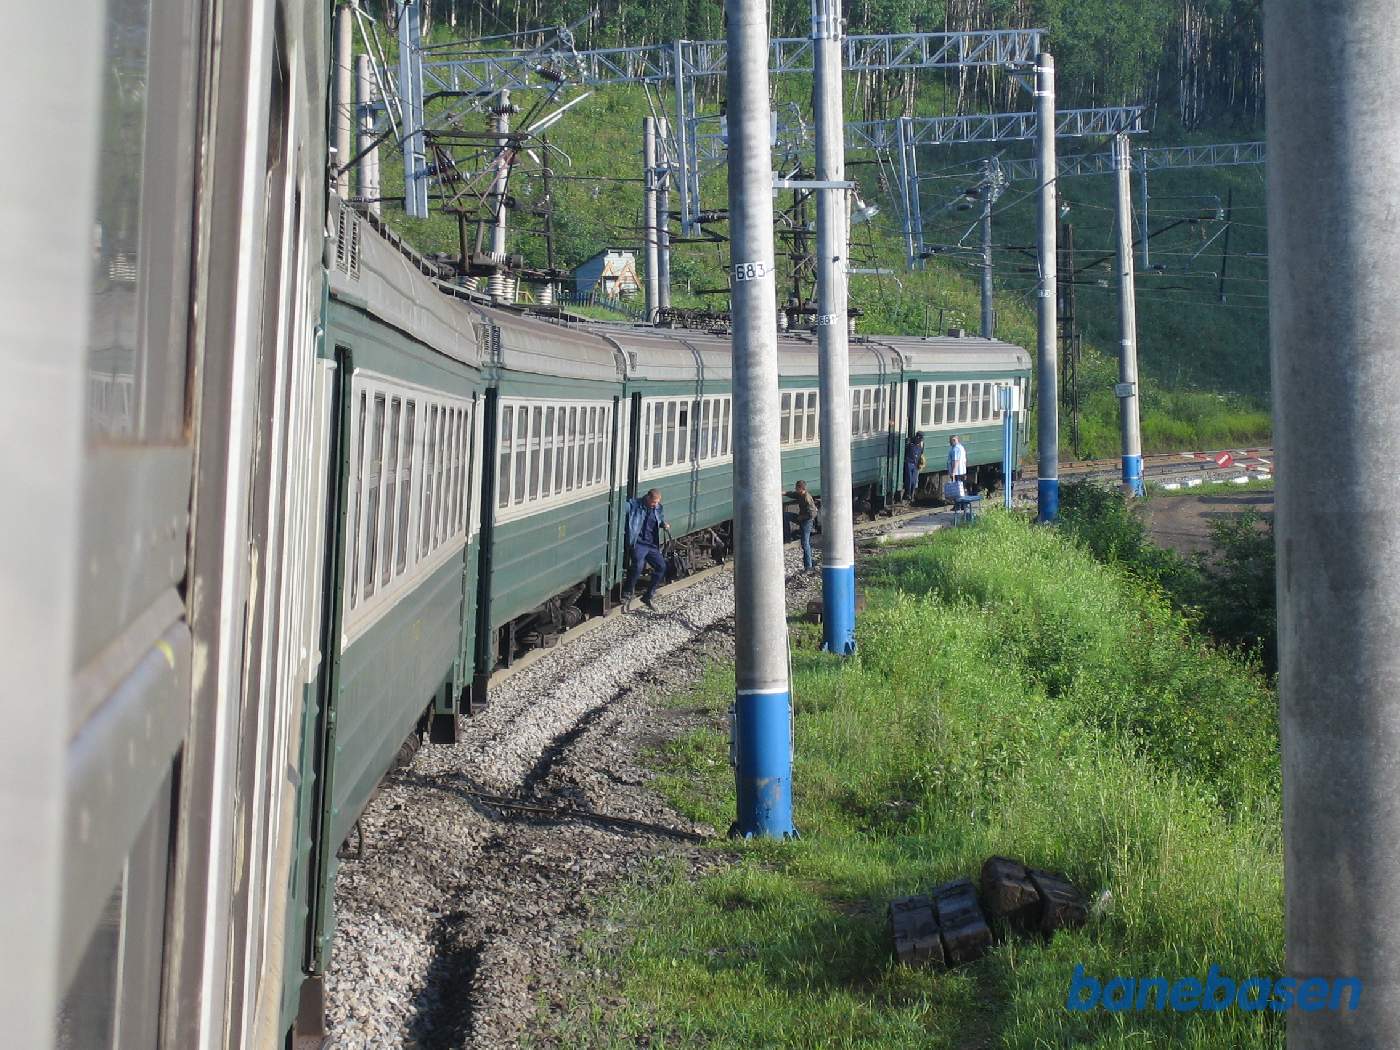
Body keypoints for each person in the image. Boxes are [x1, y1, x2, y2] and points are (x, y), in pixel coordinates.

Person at [624, 488, 668, 609]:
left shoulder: (658, 508)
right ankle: (628, 591)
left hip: (651, 544)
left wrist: (663, 523)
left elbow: (659, 518)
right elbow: (623, 507)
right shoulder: (635, 505)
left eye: (657, 502)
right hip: (638, 542)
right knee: (638, 565)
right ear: (648, 498)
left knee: (661, 567)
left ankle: (648, 595)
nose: (655, 505)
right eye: (654, 502)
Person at [783, 480, 819, 570]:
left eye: (796, 487)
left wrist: (802, 517)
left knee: (805, 543)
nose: (795, 489)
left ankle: (809, 566)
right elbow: (793, 494)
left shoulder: (807, 498)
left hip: (807, 522)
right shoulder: (800, 494)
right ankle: (787, 538)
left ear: (801, 488)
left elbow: (813, 513)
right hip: (801, 518)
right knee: (785, 515)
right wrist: (784, 493)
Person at [904, 432, 925, 501]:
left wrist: (921, 463)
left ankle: (912, 494)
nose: (921, 440)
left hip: (916, 464)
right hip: (909, 462)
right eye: (920, 438)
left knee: (914, 480)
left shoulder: (921, 444)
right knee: (909, 479)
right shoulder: (910, 442)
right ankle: (908, 494)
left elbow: (921, 453)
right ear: (917, 437)